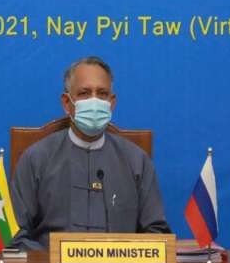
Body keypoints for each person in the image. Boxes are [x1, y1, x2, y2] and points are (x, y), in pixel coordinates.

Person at [10, 56, 171, 250]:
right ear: (67, 103)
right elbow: (15, 236)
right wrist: (53, 260)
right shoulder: (36, 159)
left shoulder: (137, 161)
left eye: (102, 94)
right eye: (84, 93)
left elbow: (157, 235)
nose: (94, 101)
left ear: (111, 103)